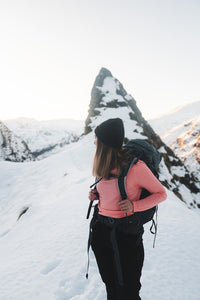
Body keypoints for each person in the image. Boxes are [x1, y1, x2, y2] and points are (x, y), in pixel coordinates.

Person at [88, 118, 167, 300]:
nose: (94, 142)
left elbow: (161, 194)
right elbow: (109, 192)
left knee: (129, 289)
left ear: (105, 143)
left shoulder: (136, 168)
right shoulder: (103, 166)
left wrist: (135, 206)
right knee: (111, 285)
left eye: (97, 139)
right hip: (102, 231)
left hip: (126, 235)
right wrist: (96, 195)